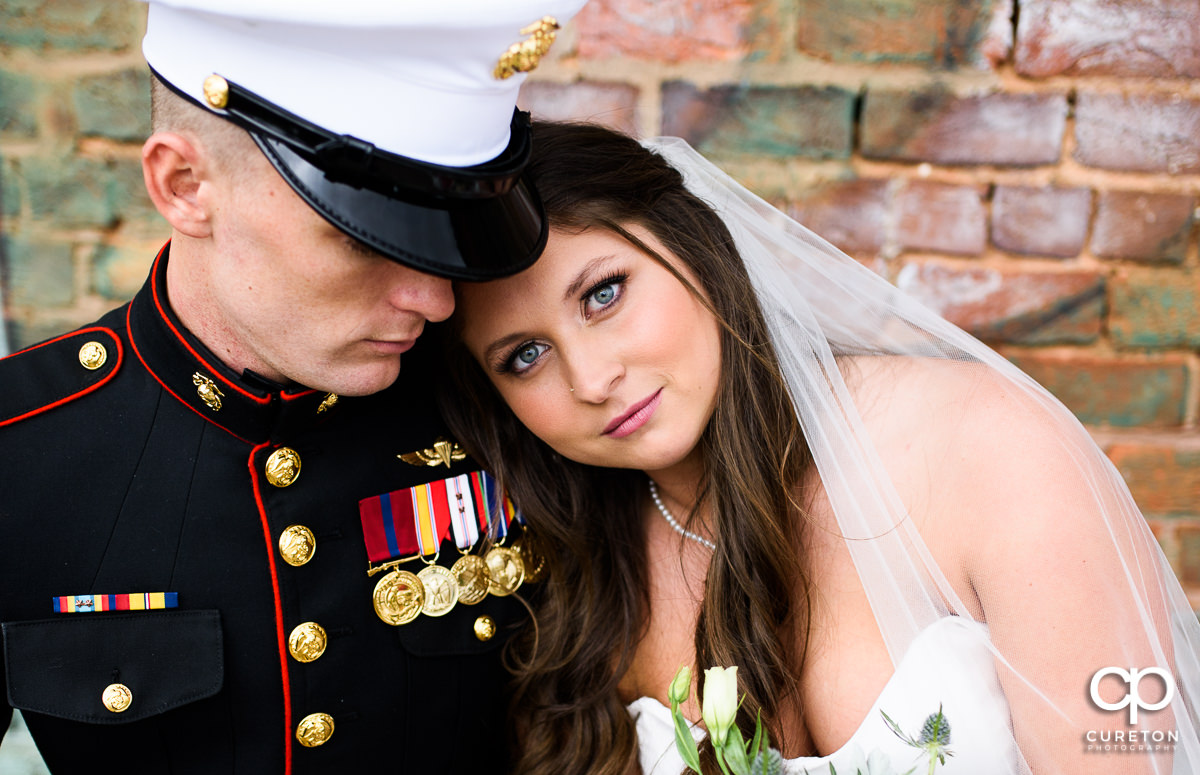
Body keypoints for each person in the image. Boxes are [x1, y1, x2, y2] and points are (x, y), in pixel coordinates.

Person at [439, 122, 1200, 775]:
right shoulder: (568, 567)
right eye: (525, 355)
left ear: (691, 242)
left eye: (604, 293)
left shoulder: (986, 448)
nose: (593, 378)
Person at [0, 1, 585, 772]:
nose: (436, 300)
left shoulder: (501, 399)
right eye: (363, 239)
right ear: (184, 184)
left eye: (444, 235)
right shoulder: (20, 448)